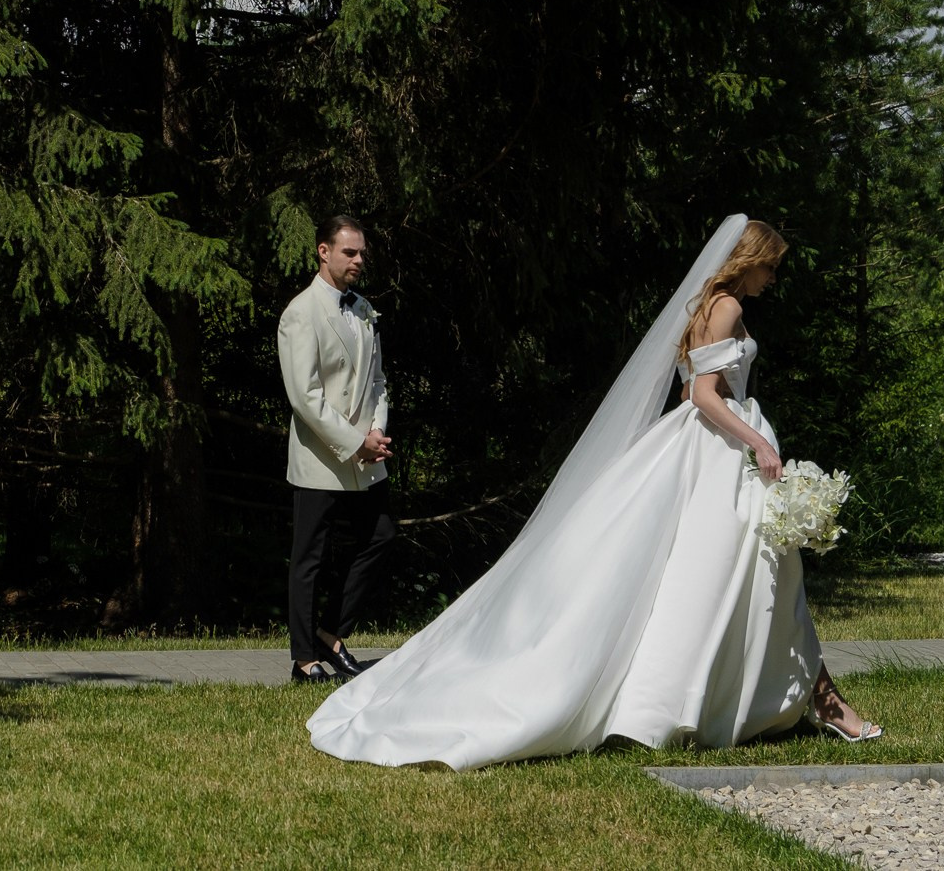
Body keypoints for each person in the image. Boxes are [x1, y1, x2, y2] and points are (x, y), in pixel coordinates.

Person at [307, 216, 879, 767]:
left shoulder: (702, 306)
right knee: (740, 574)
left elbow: (687, 397)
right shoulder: (727, 306)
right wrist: (759, 442)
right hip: (721, 446)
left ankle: (783, 699)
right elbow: (705, 394)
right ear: (750, 260)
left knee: (726, 576)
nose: (773, 279)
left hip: (700, 445)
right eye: (770, 267)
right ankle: (804, 701)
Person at [279, 214, 397, 685]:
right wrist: (354, 443)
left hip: (365, 457)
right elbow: (304, 397)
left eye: (362, 253)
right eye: (350, 252)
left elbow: (378, 382)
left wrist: (377, 433)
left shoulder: (366, 310)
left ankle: (332, 633)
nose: (359, 260)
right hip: (320, 458)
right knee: (309, 556)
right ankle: (303, 660)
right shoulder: (300, 313)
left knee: (381, 535)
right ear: (323, 252)